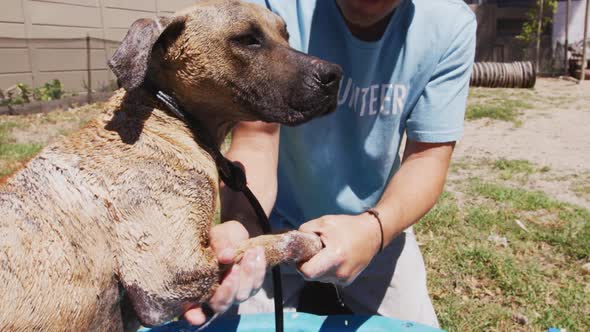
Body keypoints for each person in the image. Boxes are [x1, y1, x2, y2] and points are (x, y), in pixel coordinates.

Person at [185, 0, 476, 328]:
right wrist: (242, 226)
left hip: (377, 222)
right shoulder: (275, 6)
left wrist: (374, 231)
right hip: (273, 224)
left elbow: (427, 159)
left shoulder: (449, 23)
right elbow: (257, 139)